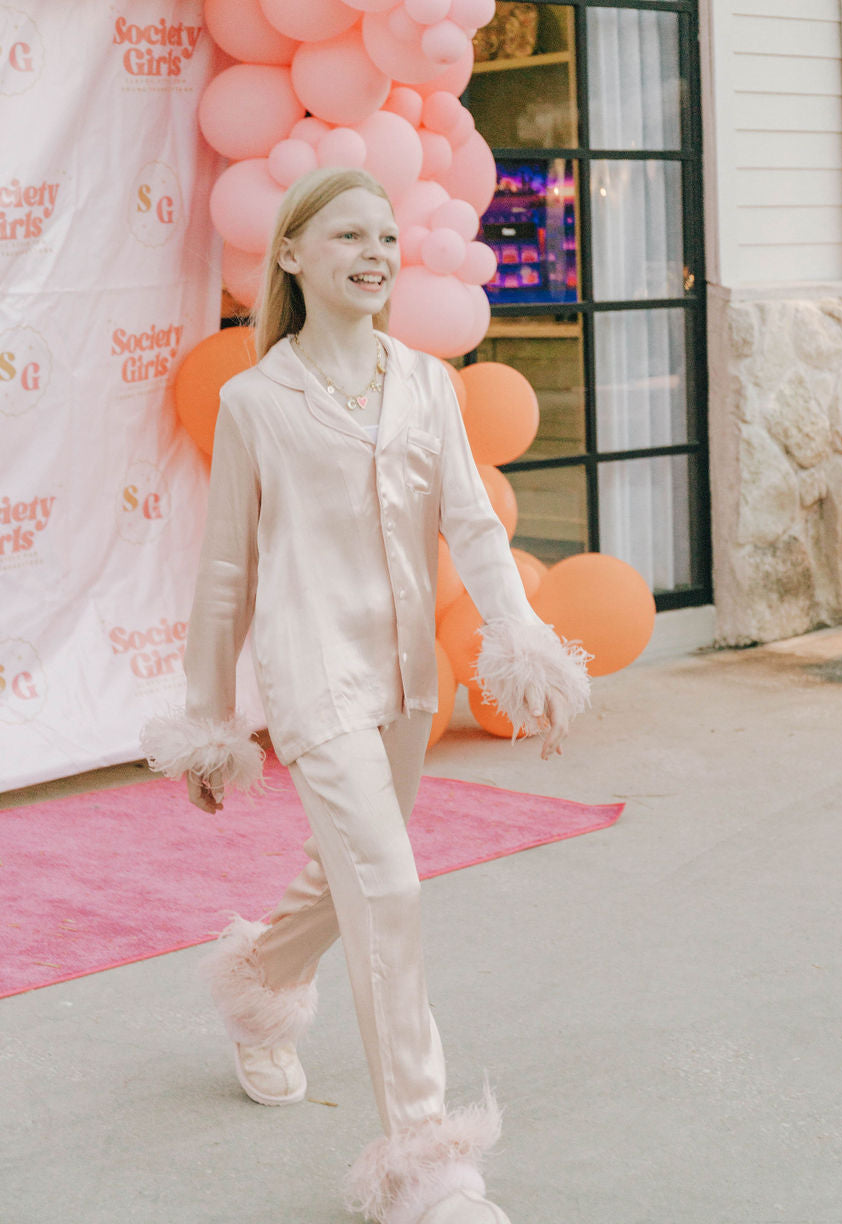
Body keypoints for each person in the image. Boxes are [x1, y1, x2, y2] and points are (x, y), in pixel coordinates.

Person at [141, 167, 590, 1224]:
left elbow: (473, 526)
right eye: (348, 234)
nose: (375, 253)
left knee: (348, 873)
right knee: (388, 887)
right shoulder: (255, 401)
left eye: (387, 236)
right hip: (310, 675)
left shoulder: (426, 381)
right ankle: (428, 1168)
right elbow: (223, 573)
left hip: (401, 686)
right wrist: (209, 721)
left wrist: (521, 641)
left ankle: (256, 984)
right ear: (293, 256)